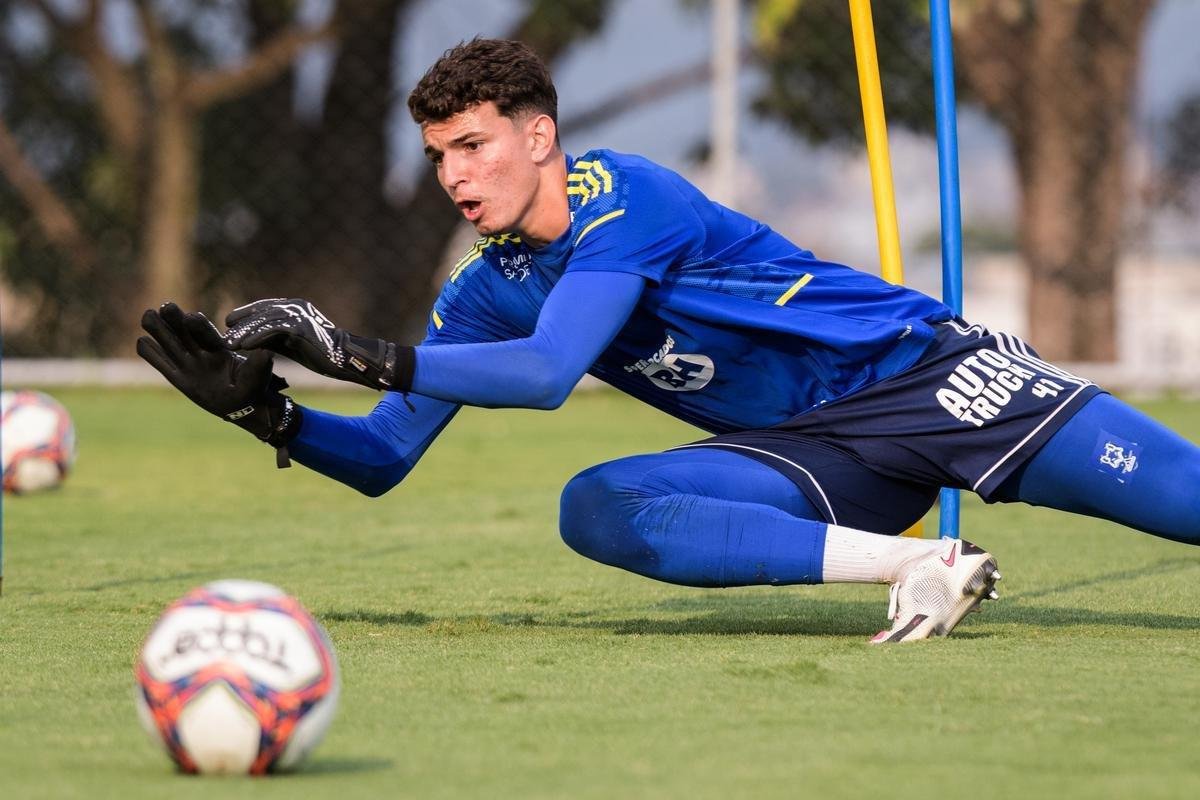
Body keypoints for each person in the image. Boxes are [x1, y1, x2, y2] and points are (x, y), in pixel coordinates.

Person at [136, 38, 1200, 644]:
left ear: (538, 136)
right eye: (437, 154)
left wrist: (353, 347)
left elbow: (552, 371)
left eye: (473, 144)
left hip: (931, 377)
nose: (455, 176)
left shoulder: (626, 198)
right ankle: (921, 561)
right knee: (597, 503)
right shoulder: (484, 290)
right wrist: (266, 412)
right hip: (814, 456)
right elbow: (381, 458)